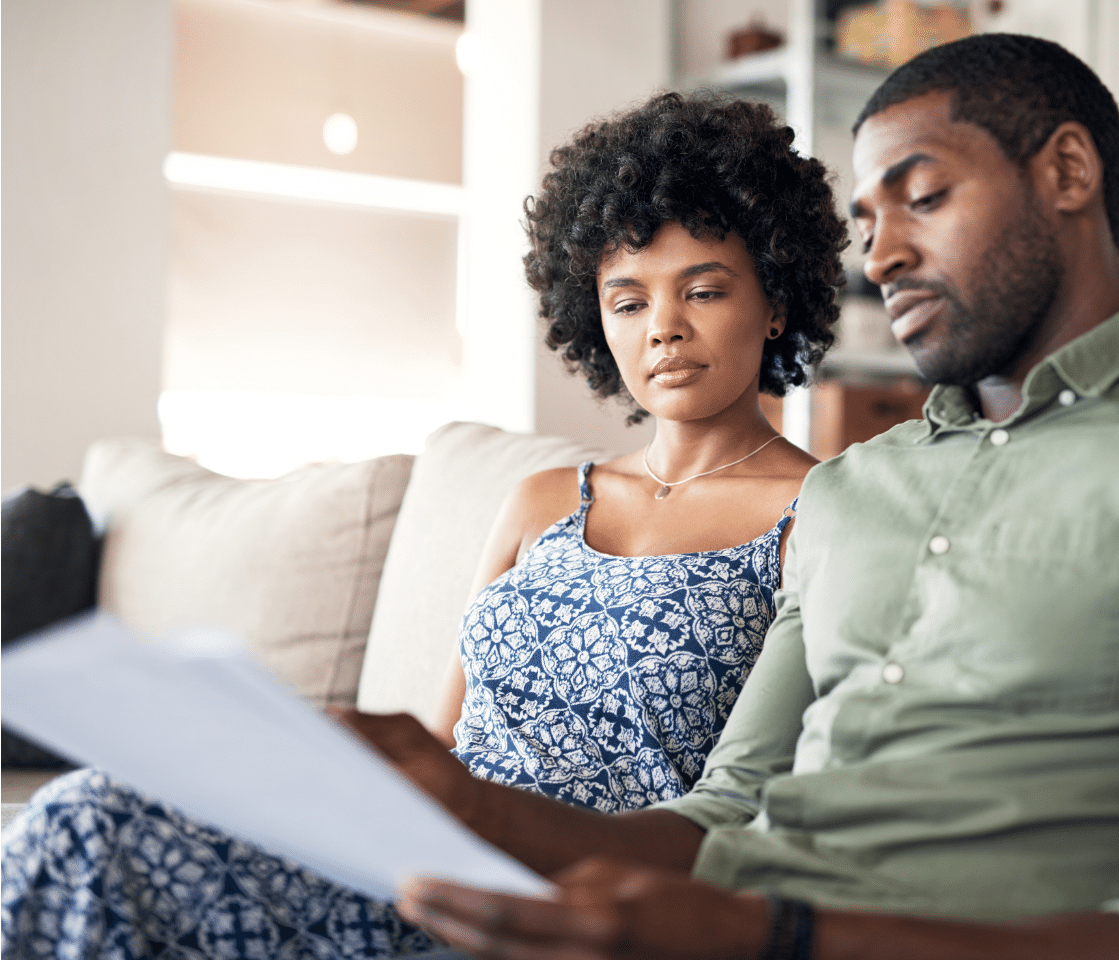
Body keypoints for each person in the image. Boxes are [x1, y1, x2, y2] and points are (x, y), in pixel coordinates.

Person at [336, 34, 1119, 960]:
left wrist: (770, 934)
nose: (885, 254)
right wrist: (466, 802)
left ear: (1068, 172)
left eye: (925, 197)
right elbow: (724, 813)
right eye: (868, 221)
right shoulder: (859, 490)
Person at [0, 91, 848, 958]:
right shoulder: (544, 499)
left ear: (776, 301)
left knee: (88, 830)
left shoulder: (818, 515)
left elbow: (748, 806)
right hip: (410, 863)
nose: (664, 328)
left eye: (703, 291)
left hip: (561, 901)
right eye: (628, 303)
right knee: (86, 809)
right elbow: (445, 742)